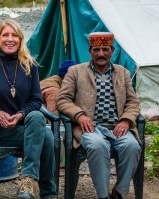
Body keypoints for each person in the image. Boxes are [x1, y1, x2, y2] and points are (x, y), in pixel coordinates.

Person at [0, 19, 57, 199]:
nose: (10, 39)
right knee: (47, 135)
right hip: (0, 130)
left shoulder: (29, 65)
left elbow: (36, 99)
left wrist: (20, 114)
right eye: (5, 35)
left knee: (36, 117)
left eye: (14, 35)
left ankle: (27, 180)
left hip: (26, 125)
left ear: (20, 39)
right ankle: (47, 193)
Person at [56, 32, 141, 199]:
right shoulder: (75, 72)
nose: (101, 54)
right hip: (90, 129)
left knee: (133, 147)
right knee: (97, 146)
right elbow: (62, 99)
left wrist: (125, 120)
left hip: (118, 128)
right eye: (96, 50)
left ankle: (119, 192)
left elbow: (133, 102)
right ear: (90, 51)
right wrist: (79, 115)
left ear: (112, 50)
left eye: (105, 49)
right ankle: (103, 196)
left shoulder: (122, 73)